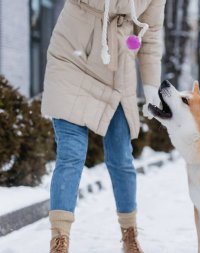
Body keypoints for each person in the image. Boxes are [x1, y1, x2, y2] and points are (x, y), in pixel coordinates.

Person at [41, 0, 165, 252]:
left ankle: (129, 234)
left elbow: (150, 34)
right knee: (71, 154)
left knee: (121, 157)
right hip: (73, 56)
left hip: (116, 65)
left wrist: (151, 86)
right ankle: (59, 238)